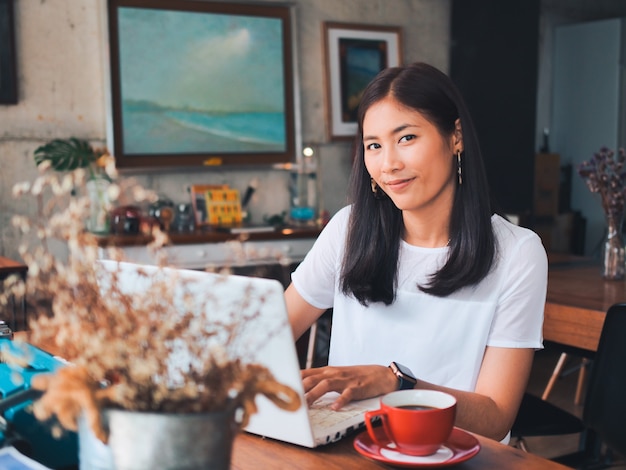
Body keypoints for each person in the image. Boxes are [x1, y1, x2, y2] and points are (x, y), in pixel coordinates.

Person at [284, 62, 547, 443]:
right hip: (345, 450)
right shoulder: (348, 229)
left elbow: (495, 418)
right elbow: (269, 335)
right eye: (374, 145)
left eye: (406, 138)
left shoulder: (517, 254)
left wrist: (397, 385)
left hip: (451, 456)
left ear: (455, 136)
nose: (388, 164)